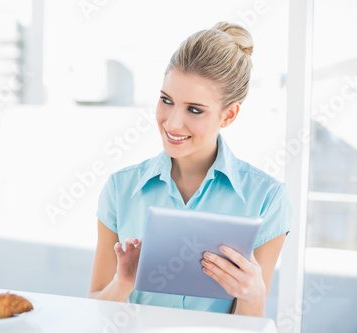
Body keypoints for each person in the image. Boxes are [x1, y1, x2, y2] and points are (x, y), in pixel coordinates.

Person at [88, 21, 292, 317]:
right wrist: (123, 283)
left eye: (194, 110)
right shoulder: (121, 188)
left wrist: (253, 295)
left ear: (229, 115)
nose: (172, 123)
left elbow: (247, 323)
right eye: (166, 101)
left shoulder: (268, 198)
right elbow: (93, 308)